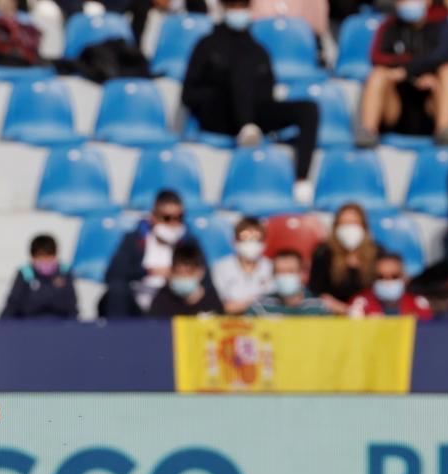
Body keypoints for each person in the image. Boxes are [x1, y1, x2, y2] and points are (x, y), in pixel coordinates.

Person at [181, 0, 319, 204]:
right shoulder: (206, 45)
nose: (238, 12)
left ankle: (301, 178)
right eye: (234, 6)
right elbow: (189, 95)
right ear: (224, 8)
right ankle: (246, 127)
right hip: (219, 115)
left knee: (308, 109)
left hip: (255, 116)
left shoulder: (258, 50)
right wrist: (218, 90)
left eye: (242, 6)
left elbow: (267, 95)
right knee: (240, 67)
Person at [357, 0, 448, 146]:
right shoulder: (390, 25)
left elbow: (441, 55)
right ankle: (368, 131)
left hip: (429, 104)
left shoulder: (441, 24)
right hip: (395, 106)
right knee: (378, 74)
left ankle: (444, 129)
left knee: (447, 71)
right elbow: (376, 56)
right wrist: (408, 74)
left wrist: (408, 71)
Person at [99, 190, 200, 317]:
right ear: (153, 217)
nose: (173, 223)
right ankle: (116, 334)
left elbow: (204, 277)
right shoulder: (134, 240)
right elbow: (113, 275)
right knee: (116, 291)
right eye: (167, 218)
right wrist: (148, 272)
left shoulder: (189, 243)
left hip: (172, 302)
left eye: (179, 217)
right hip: (137, 303)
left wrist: (178, 276)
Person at [309, 203, 381, 313]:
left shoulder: (377, 252)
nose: (349, 228)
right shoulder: (324, 253)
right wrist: (344, 309)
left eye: (354, 223)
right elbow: (316, 291)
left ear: (364, 227)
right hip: (332, 315)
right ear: (336, 227)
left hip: (369, 316)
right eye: (344, 223)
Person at [0, 233, 78, 320]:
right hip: (28, 324)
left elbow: (72, 305)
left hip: (59, 324)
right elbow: (12, 304)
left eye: (48, 256)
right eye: (40, 256)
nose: (45, 260)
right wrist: (1, 325)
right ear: (33, 257)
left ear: (55, 255)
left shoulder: (64, 272)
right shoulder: (25, 273)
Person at [211, 217, 274, 315]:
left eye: (257, 239)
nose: (251, 243)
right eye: (244, 238)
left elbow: (273, 303)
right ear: (235, 241)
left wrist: (240, 306)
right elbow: (221, 305)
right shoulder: (221, 267)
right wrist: (254, 304)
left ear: (264, 242)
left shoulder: (270, 267)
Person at [148, 243, 224, 316]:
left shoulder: (212, 301)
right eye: (178, 272)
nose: (183, 277)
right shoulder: (162, 299)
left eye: (188, 272)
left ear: (201, 272)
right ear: (171, 272)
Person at [349, 252, 433, 318]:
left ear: (404, 278)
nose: (387, 282)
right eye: (381, 277)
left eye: (394, 276)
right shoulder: (360, 304)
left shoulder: (419, 305)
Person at [248, 249, 332, 315]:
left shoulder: (318, 307)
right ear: (273, 275)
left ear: (301, 274)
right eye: (280, 271)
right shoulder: (260, 307)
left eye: (290, 271)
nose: (285, 276)